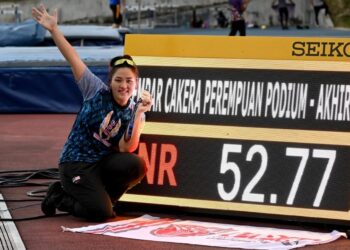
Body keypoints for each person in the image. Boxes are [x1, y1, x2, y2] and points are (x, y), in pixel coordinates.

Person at [32, 4, 152, 222]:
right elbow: (73, 58)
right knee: (101, 214)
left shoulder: (136, 110)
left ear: (135, 84)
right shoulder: (95, 90)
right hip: (75, 163)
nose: (123, 86)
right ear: (110, 81)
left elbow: (128, 148)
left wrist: (137, 114)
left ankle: (103, 200)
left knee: (136, 164)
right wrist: (54, 30)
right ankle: (59, 196)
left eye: (129, 81)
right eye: (118, 80)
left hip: (102, 163)